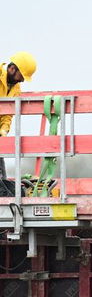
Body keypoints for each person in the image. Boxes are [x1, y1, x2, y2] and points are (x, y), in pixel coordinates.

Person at [0, 52, 37, 197]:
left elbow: (8, 113)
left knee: (2, 177)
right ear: (12, 69)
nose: (21, 80)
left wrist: (4, 129)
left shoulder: (15, 89)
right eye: (21, 76)